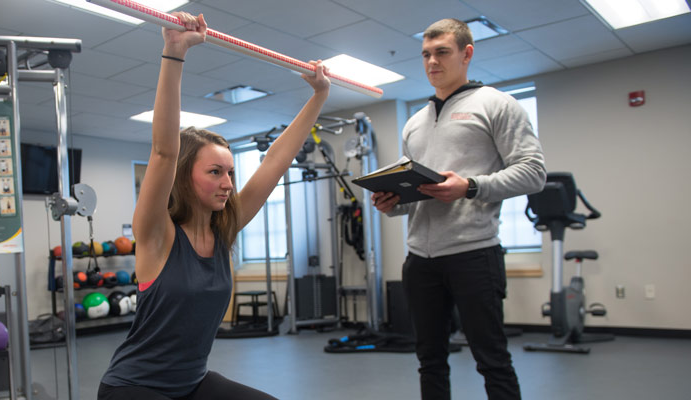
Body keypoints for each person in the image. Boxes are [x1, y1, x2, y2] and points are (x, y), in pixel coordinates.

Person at [97, 11, 330, 400]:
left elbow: (274, 161)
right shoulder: (157, 233)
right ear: (186, 175)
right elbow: (163, 151)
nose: (228, 184)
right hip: (134, 387)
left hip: (193, 383)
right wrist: (174, 52)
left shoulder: (224, 229)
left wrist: (319, 95)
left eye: (231, 172)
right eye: (215, 172)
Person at [371, 18, 546, 400]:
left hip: (473, 253)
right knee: (429, 359)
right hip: (420, 259)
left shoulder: (497, 105)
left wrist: (470, 186)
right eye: (426, 55)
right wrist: (393, 204)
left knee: (492, 359)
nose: (432, 62)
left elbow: (534, 173)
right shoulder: (415, 123)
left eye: (442, 52)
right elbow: (422, 191)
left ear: (466, 54)